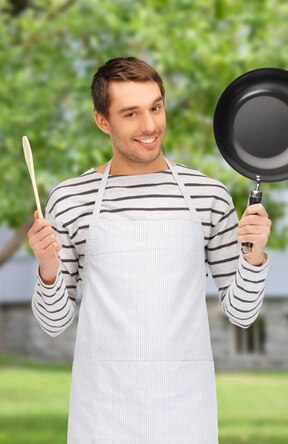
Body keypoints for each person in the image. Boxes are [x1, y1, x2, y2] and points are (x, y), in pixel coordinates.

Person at [27, 56, 271, 443]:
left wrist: (254, 256)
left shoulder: (208, 195)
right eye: (131, 114)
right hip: (102, 409)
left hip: (184, 407)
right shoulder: (69, 199)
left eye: (156, 107)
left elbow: (242, 313)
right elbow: (54, 322)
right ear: (102, 121)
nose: (150, 126)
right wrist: (48, 268)